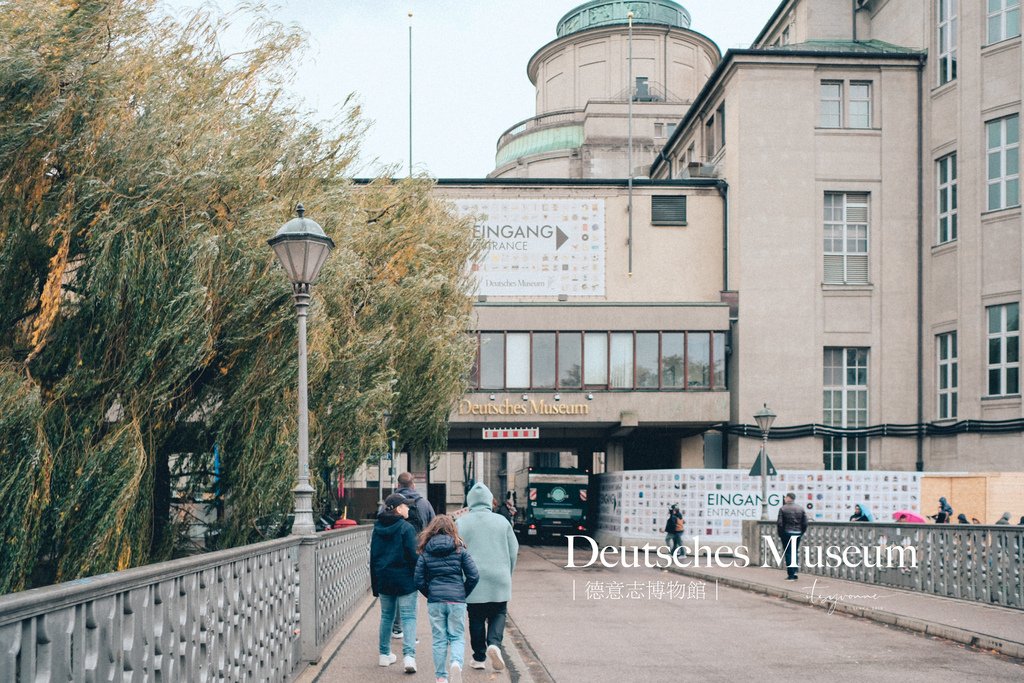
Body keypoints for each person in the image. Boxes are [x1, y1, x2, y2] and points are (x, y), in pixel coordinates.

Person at [456, 483, 519, 673]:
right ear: (488, 500)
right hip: (499, 575)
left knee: (475, 616)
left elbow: (456, 551)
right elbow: (513, 550)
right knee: (499, 612)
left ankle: (479, 657)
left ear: (470, 501)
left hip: (473, 578)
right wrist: (507, 572)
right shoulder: (502, 521)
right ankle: (494, 644)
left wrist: (460, 576)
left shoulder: (461, 522)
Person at [415, 515, 479, 683]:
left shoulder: (425, 550)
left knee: (439, 639)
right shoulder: (460, 549)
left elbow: (418, 580)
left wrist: (431, 594)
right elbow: (474, 575)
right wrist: (462, 593)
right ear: (452, 529)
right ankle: (456, 663)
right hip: (456, 599)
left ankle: (441, 677)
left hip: (436, 600)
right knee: (457, 636)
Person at [383, 471, 436, 640]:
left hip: (393, 554)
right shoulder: (425, 503)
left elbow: (381, 524)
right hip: (418, 552)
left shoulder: (389, 503)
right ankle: (409, 630)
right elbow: (434, 527)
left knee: (396, 590)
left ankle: (397, 628)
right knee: (413, 591)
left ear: (398, 485)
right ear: (413, 485)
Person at [370, 493, 419, 672]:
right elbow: (414, 556)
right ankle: (409, 657)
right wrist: (419, 578)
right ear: (398, 508)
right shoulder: (406, 528)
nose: (408, 508)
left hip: (384, 579)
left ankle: (384, 654)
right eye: (406, 506)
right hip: (405, 580)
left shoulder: (377, 528)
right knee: (409, 617)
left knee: (386, 616)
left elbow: (373, 557)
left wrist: (375, 585)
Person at [775, 492, 807, 581]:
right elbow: (805, 523)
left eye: (785, 497)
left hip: (787, 533)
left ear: (788, 498)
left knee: (788, 553)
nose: (784, 499)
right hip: (797, 533)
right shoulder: (801, 508)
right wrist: (801, 532)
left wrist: (781, 534)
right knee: (794, 552)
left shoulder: (783, 508)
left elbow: (780, 523)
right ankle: (795, 571)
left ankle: (791, 575)